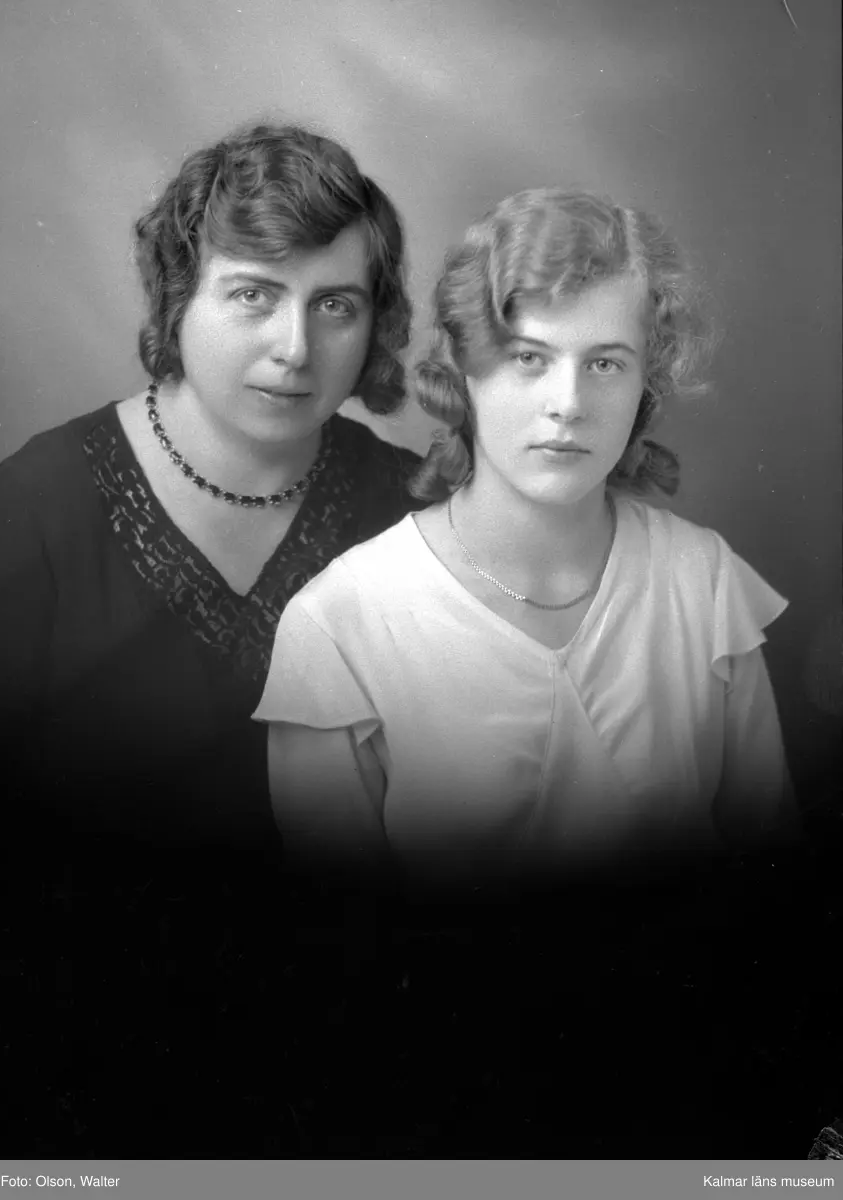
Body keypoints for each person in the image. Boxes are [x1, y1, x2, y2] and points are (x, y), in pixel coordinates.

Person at [0, 121, 423, 1153]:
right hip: (79, 1066)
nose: (295, 348)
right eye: (252, 295)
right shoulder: (37, 508)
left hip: (351, 1060)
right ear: (178, 298)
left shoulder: (410, 511)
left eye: (335, 304)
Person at [254, 188, 799, 899]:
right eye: (527, 358)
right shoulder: (338, 625)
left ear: (647, 382)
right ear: (462, 368)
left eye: (605, 363)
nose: (567, 404)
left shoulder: (703, 580)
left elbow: (772, 877)